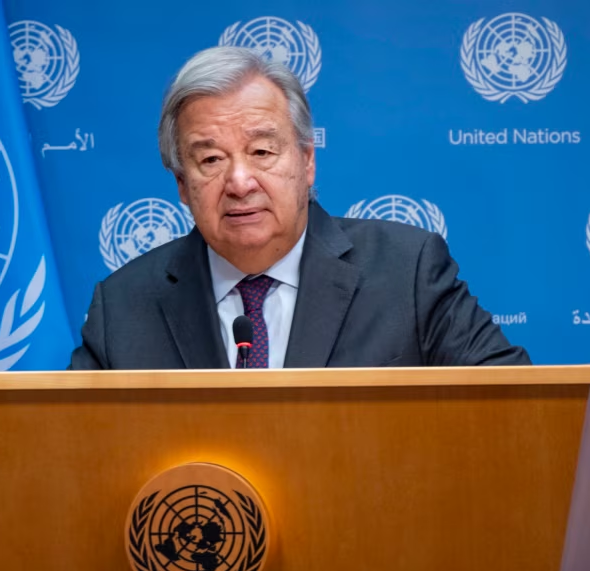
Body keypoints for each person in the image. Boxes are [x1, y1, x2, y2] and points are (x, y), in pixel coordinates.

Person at [69, 46, 529, 370]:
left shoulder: (407, 273)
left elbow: (518, 402)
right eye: (210, 159)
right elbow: (65, 454)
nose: (239, 181)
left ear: (307, 162)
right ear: (183, 186)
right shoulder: (125, 307)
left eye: (262, 152)